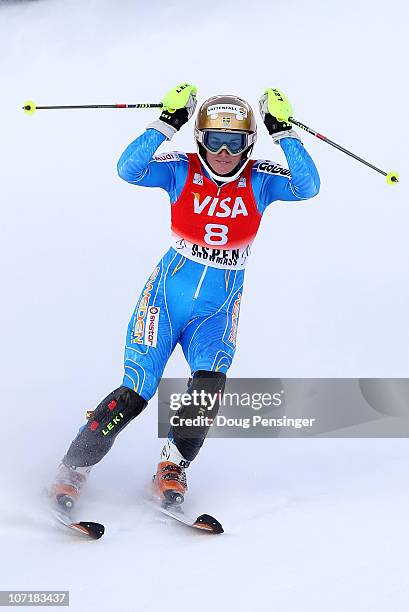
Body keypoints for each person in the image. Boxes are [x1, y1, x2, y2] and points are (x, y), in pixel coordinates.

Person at [50, 83, 320, 510]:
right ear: (201, 138)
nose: (224, 152)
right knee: (136, 392)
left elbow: (308, 187)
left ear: (249, 143)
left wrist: (283, 131)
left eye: (235, 142)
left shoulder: (262, 180)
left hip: (217, 308)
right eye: (216, 140)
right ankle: (71, 471)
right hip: (165, 298)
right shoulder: (181, 169)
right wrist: (167, 121)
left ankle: (172, 467)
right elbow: (129, 168)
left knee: (209, 388)